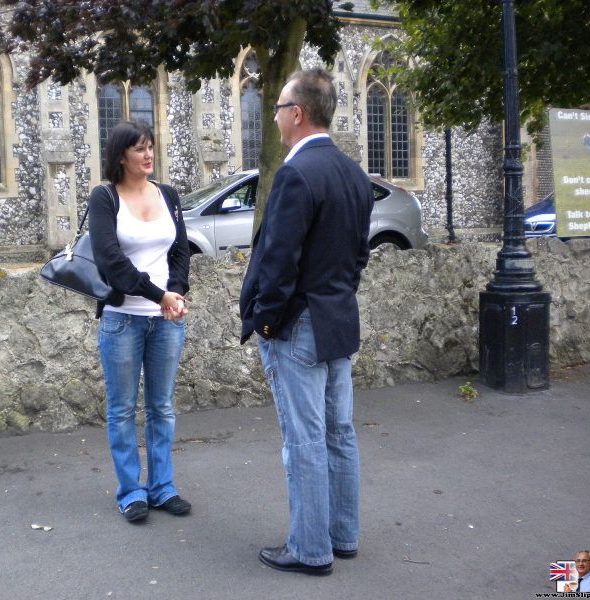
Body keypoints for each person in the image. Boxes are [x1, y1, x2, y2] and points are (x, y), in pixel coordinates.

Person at [239, 68, 374, 575]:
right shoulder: (353, 173)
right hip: (338, 318)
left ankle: (310, 549)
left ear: (297, 114)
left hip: (297, 325)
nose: (273, 117)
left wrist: (267, 321)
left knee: (306, 439)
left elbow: (278, 261)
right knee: (338, 433)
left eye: (277, 108)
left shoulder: (297, 174)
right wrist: (334, 297)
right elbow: (358, 255)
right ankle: (342, 536)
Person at [89, 120, 191, 523]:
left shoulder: (167, 194)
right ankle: (132, 491)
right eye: (139, 149)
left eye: (150, 147)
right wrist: (158, 296)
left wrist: (177, 294)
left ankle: (162, 487)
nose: (148, 155)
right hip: (122, 320)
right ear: (120, 156)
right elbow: (111, 262)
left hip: (167, 320)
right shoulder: (104, 198)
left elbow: (181, 250)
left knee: (162, 408)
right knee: (121, 410)